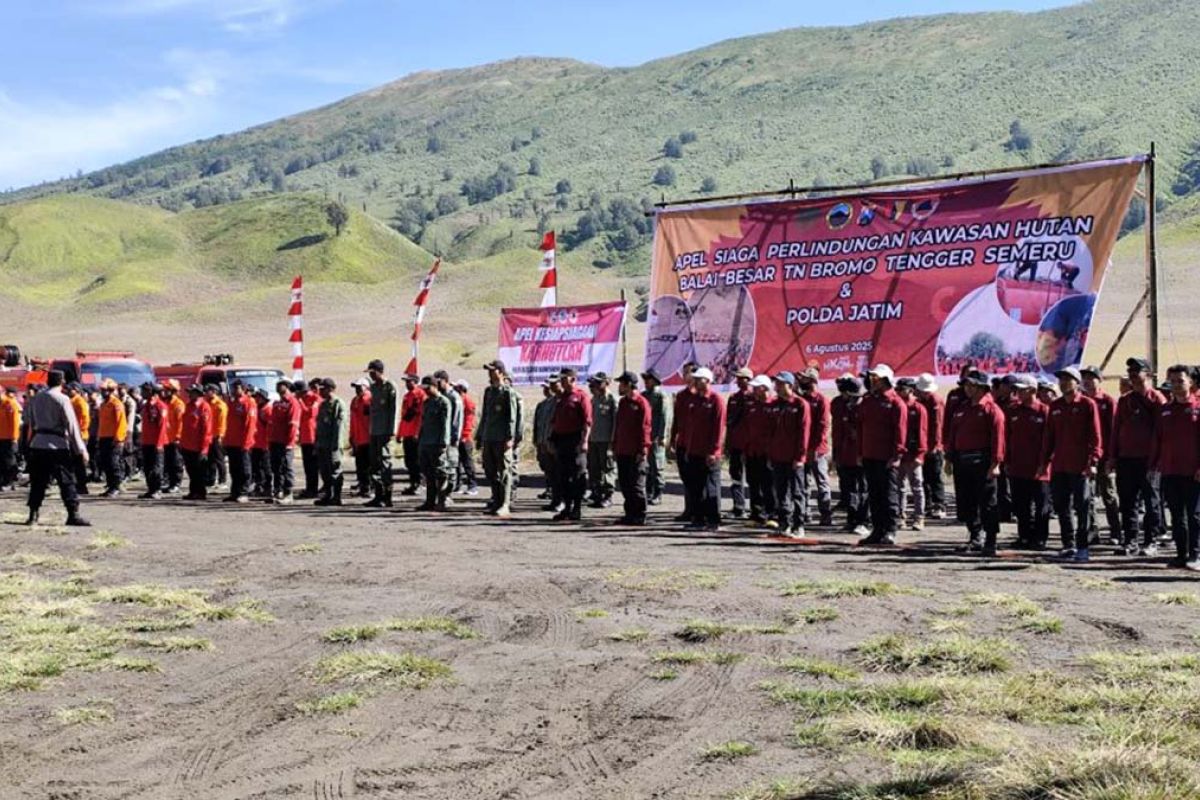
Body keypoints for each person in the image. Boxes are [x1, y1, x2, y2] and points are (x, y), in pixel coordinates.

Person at [1041, 367, 1103, 562]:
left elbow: (1095, 436)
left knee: (1082, 507)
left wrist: (1093, 461)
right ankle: (1068, 545)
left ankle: (1083, 547)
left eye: (1068, 380)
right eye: (1061, 380)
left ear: (1077, 383)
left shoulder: (1087, 404)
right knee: (1062, 506)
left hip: (1080, 466)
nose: (1063, 383)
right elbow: (1049, 436)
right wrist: (1044, 461)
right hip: (1060, 465)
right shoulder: (1056, 406)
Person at [946, 369, 1006, 555]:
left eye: (971, 385)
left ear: (981, 387)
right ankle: (974, 537)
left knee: (987, 502)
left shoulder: (991, 409)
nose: (967, 388)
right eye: (966, 385)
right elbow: (953, 434)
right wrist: (949, 458)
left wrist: (995, 464)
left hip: (983, 461)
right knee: (967, 501)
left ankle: (991, 541)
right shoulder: (962, 408)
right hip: (962, 461)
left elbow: (998, 438)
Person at [1110, 357, 1166, 556]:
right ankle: (1130, 541)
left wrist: (1158, 460)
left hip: (1148, 460)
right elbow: (1116, 430)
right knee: (1128, 502)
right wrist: (1113, 457)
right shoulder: (1125, 400)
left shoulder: (1157, 399)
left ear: (1148, 374)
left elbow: (1162, 432)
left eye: (1137, 371)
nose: (1132, 375)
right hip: (1126, 458)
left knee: (1152, 502)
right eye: (1130, 371)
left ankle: (1151, 541)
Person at [1149, 365, 1200, 570]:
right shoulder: (1165, 411)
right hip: (1170, 471)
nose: (1177, 385)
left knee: (1194, 515)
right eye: (1173, 381)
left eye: (1181, 381)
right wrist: (1154, 465)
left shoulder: (1197, 408)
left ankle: (1195, 554)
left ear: (1191, 382)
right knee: (1177, 516)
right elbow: (1158, 439)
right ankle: (1180, 555)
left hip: (1193, 473)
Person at [24, 370, 89, 527]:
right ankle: (73, 514)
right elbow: (71, 425)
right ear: (62, 382)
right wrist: (81, 449)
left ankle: (33, 514)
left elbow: (30, 422)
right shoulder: (62, 399)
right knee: (66, 481)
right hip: (57, 445)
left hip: (38, 443)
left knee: (37, 481)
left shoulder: (36, 398)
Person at [857, 365, 906, 545]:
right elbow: (861, 427)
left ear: (885, 380)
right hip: (869, 455)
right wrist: (860, 452)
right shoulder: (868, 400)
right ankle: (877, 530)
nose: (872, 380)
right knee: (874, 495)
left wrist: (897, 455)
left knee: (888, 494)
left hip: (887, 457)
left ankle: (890, 529)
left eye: (875, 377)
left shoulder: (896, 403)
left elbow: (900, 431)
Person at [1005, 375, 1051, 550]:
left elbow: (1050, 440)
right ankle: (1024, 536)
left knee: (1041, 506)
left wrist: (1044, 463)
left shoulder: (1044, 411)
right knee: (1020, 504)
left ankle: (1040, 538)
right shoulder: (1013, 411)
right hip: (1018, 466)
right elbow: (1008, 437)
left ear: (1032, 390)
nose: (1018, 392)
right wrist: (1007, 461)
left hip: (1039, 468)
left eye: (1021, 389)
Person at [679, 367, 726, 531]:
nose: (696, 382)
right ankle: (698, 519)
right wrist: (688, 448)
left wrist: (714, 451)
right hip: (694, 451)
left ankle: (713, 520)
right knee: (696, 487)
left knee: (711, 486)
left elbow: (718, 429)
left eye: (699, 379)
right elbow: (690, 427)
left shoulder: (716, 400)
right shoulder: (693, 400)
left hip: (709, 453)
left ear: (707, 381)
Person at [767, 371, 810, 537]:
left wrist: (800, 457)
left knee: (797, 491)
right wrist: (770, 453)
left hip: (794, 458)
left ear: (790, 385)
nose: (776, 387)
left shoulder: (800, 404)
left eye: (780, 383)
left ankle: (799, 525)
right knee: (781, 491)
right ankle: (784, 523)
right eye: (776, 383)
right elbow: (770, 432)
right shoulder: (774, 404)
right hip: (778, 456)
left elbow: (804, 433)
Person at [1080, 365, 1120, 543]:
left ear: (1099, 380)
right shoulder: (1081, 401)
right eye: (1085, 378)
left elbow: (1114, 431)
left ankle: (1115, 531)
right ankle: (1093, 530)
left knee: (1108, 495)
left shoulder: (1108, 401)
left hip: (1104, 457)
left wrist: (1112, 457)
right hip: (1086, 456)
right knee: (1087, 496)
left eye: (1091, 378)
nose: (1087, 381)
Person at [477, 360, 520, 518]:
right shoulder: (489, 392)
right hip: (489, 436)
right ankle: (496, 501)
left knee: (505, 471)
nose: (490, 373)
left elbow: (512, 417)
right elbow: (485, 415)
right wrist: (480, 435)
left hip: (502, 437)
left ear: (501, 372)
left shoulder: (508, 392)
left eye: (492, 370)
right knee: (490, 470)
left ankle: (505, 504)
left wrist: (510, 437)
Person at [550, 368, 591, 521]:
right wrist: (552, 439)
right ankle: (567, 508)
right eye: (561, 379)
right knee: (563, 476)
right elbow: (556, 421)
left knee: (577, 475)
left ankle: (577, 508)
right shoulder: (562, 398)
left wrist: (584, 441)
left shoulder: (581, 396)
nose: (561, 382)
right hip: (562, 441)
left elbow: (587, 421)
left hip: (576, 440)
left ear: (573, 379)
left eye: (564, 379)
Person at [612, 371, 652, 525]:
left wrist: (643, 449)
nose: (619, 387)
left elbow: (645, 428)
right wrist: (615, 444)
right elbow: (619, 425)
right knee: (625, 483)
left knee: (637, 484)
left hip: (636, 451)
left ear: (629, 385)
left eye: (621, 384)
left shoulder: (641, 403)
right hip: (622, 450)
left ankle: (640, 515)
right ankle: (629, 513)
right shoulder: (623, 402)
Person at [832, 375, 868, 535]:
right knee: (850, 489)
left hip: (862, 455)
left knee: (863, 489)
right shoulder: (845, 407)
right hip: (846, 454)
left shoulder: (864, 407)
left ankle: (863, 521)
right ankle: (852, 520)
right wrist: (837, 454)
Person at [797, 368, 834, 526]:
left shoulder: (821, 400)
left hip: (817, 449)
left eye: (805, 379)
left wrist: (815, 448)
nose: (802, 381)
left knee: (822, 482)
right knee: (804, 482)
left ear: (812, 381)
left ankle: (825, 514)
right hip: (803, 448)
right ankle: (805, 512)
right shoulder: (801, 399)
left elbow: (824, 426)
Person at [894, 378, 928, 531]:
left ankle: (919, 518)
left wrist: (920, 455)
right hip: (899, 453)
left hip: (913, 453)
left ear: (911, 390)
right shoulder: (896, 406)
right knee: (899, 487)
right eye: (897, 389)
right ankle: (901, 516)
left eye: (902, 389)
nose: (898, 392)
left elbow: (923, 432)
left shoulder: (918, 408)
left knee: (917, 486)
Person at [744, 375, 776, 526]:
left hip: (768, 452)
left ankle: (772, 514)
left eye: (757, 387)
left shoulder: (773, 405)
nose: (754, 390)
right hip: (752, 451)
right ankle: (756, 514)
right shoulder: (752, 406)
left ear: (765, 388)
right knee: (754, 483)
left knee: (769, 485)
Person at [416, 375, 451, 511]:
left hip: (437, 443)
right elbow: (424, 423)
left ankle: (442, 501)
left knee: (440, 473)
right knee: (428, 473)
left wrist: (444, 442)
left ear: (435, 386)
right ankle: (430, 501)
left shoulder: (443, 402)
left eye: (427, 388)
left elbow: (445, 424)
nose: (425, 391)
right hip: (426, 442)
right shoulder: (427, 402)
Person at [366, 360, 398, 507]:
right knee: (374, 464)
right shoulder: (373, 388)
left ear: (380, 371)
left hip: (385, 431)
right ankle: (378, 495)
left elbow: (393, 410)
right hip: (374, 431)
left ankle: (387, 496)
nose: (371, 376)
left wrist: (391, 430)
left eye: (373, 372)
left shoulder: (389, 387)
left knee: (385, 463)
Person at [669, 363, 698, 522]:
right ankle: (689, 509)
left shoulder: (700, 396)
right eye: (684, 372)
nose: (685, 375)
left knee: (696, 479)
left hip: (695, 445)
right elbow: (676, 419)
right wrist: (672, 439)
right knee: (686, 478)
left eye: (688, 372)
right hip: (682, 443)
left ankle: (697, 511)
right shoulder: (681, 396)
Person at [915, 373, 947, 519]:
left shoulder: (935, 400)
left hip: (934, 446)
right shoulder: (920, 401)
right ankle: (928, 504)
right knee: (924, 477)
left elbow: (937, 424)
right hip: (922, 444)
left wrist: (934, 445)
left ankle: (939, 504)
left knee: (935, 476)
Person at [725, 367, 754, 519]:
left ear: (748, 380)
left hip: (751, 445)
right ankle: (738, 507)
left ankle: (757, 509)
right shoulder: (733, 398)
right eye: (737, 378)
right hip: (736, 443)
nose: (737, 380)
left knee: (754, 478)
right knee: (736, 476)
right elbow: (729, 422)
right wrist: (727, 443)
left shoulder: (754, 398)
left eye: (741, 378)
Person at [223, 380, 258, 503]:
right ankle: (235, 492)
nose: (234, 390)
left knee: (244, 469)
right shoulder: (232, 403)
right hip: (232, 442)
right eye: (233, 388)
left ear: (243, 389)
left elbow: (250, 425)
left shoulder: (249, 402)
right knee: (234, 469)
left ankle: (244, 492)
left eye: (237, 388)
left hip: (243, 443)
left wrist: (246, 443)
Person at [268, 380, 303, 504]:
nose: (279, 390)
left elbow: (293, 424)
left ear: (288, 388)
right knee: (276, 467)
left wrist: (290, 443)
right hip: (275, 440)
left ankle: (288, 493)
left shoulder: (292, 403)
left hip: (285, 441)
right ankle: (278, 491)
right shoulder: (277, 403)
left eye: (281, 388)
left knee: (286, 467)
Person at [314, 378, 347, 506]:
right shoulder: (323, 404)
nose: (320, 391)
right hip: (323, 443)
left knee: (335, 469)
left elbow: (339, 426)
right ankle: (328, 495)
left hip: (333, 444)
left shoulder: (337, 404)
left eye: (323, 389)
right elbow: (319, 425)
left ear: (331, 389)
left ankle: (336, 497)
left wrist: (336, 445)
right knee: (324, 471)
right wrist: (317, 443)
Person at [586, 373, 616, 509]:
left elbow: (615, 423)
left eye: (599, 382)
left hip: (606, 440)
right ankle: (597, 494)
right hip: (593, 439)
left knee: (608, 468)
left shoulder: (612, 400)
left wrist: (612, 442)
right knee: (594, 468)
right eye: (595, 383)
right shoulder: (594, 399)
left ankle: (608, 496)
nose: (596, 385)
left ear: (607, 383)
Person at [433, 370, 463, 508]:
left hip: (450, 439)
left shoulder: (453, 397)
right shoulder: (440, 396)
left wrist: (454, 438)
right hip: (439, 438)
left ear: (445, 381)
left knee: (450, 468)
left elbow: (456, 420)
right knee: (440, 469)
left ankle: (447, 495)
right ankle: (441, 497)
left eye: (438, 381)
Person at [180, 385, 214, 500]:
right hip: (187, 444)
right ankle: (193, 491)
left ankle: (200, 492)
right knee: (191, 470)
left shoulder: (204, 407)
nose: (189, 394)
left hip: (197, 445)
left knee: (199, 470)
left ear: (198, 393)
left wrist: (204, 448)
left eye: (191, 392)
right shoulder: (188, 406)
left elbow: (207, 429)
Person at [642, 369, 670, 506]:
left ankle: (658, 492)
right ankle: (649, 491)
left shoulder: (661, 396)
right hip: (646, 436)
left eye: (648, 379)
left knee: (657, 465)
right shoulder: (644, 395)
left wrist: (662, 435)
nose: (645, 382)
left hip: (656, 435)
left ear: (654, 381)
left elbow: (665, 416)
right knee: (646, 465)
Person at [533, 376, 561, 510]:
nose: (545, 390)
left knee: (557, 471)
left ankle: (558, 498)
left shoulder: (558, 402)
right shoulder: (542, 405)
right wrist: (537, 440)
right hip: (542, 441)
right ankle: (552, 494)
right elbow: (537, 424)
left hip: (553, 443)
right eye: (544, 388)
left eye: (547, 387)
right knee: (547, 469)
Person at [97, 379, 128, 498]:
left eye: (104, 390)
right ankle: (110, 486)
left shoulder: (116, 404)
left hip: (113, 438)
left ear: (110, 391)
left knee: (113, 463)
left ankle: (116, 486)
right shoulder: (103, 404)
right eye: (102, 390)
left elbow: (121, 422)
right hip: (104, 437)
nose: (102, 392)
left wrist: (119, 438)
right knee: (106, 463)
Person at [138, 382, 169, 500]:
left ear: (151, 392)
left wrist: (159, 444)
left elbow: (162, 427)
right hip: (147, 442)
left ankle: (156, 490)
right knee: (147, 467)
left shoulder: (161, 406)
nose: (142, 392)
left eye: (144, 390)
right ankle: (151, 489)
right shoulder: (146, 405)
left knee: (156, 468)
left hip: (156, 443)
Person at [397, 373, 425, 496]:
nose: (407, 384)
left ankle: (420, 484)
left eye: (409, 381)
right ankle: (413, 483)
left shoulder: (420, 395)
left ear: (415, 381)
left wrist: (418, 432)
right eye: (406, 382)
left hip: (415, 433)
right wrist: (400, 433)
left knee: (417, 461)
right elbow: (404, 416)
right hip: (407, 433)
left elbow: (421, 416)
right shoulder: (407, 396)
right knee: (409, 461)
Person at [297, 379, 322, 499]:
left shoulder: (315, 398)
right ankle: (309, 488)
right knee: (307, 466)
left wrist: (300, 401)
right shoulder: (302, 399)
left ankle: (313, 489)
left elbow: (310, 413)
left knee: (313, 466)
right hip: (304, 437)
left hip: (313, 437)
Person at [454, 379, 479, 496]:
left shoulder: (467, 402)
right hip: (457, 437)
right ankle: (458, 484)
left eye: (457, 387)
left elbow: (469, 420)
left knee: (467, 462)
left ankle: (472, 485)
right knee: (456, 463)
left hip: (465, 438)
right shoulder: (458, 400)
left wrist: (464, 435)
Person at [349, 378, 373, 497]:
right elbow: (353, 420)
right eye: (356, 387)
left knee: (368, 465)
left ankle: (369, 487)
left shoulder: (369, 399)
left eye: (359, 387)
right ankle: (363, 486)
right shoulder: (355, 401)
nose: (357, 389)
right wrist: (352, 436)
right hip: (358, 438)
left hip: (368, 437)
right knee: (360, 465)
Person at [66, 382, 91, 495]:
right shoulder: (71, 401)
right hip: (73, 435)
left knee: (79, 461)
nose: (68, 391)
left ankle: (82, 485)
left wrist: (80, 432)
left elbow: (85, 419)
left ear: (76, 389)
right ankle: (76, 484)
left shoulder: (80, 401)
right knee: (74, 461)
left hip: (80, 436)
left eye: (70, 389)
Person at [163, 380, 186, 494]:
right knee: (168, 461)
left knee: (176, 462)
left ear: (173, 391)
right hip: (166, 438)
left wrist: (178, 437)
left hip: (175, 439)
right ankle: (170, 483)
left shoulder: (178, 404)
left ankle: (176, 483)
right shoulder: (165, 403)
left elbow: (181, 422)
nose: (164, 392)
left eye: (166, 390)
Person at [205, 384, 229, 490]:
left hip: (217, 435)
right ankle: (211, 479)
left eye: (208, 391)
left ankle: (222, 481)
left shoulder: (220, 405)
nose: (206, 393)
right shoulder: (207, 403)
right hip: (209, 435)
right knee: (210, 459)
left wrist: (220, 435)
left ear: (214, 391)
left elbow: (222, 422)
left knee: (219, 459)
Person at [251, 389, 273, 498]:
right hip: (255, 443)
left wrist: (268, 442)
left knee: (266, 467)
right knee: (256, 467)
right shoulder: (256, 408)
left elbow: (270, 427)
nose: (256, 399)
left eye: (258, 397)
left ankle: (267, 487)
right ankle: (259, 486)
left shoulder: (267, 409)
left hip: (264, 443)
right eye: (256, 397)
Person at [0, 387, 21, 490]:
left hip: (9, 437)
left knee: (9, 460)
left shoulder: (10, 404)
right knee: (2, 460)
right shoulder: (2, 404)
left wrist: (14, 438)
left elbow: (15, 423)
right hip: (2, 436)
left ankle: (9, 481)